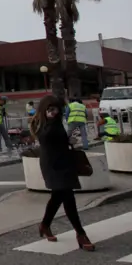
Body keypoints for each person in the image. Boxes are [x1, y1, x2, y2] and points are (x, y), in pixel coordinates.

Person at [33, 94, 94, 251]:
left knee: (58, 196)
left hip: (65, 162)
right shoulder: (41, 123)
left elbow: (58, 139)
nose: (55, 111)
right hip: (53, 165)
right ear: (45, 108)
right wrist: (51, 119)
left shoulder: (58, 121)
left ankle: (45, 225)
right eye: (51, 108)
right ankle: (81, 234)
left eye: (57, 108)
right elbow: (45, 138)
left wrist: (68, 140)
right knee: (67, 197)